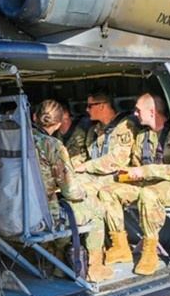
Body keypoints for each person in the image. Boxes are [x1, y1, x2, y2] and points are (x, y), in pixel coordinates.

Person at [32, 99, 113, 283]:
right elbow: (70, 190)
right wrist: (85, 193)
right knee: (97, 209)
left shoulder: (21, 141)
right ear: (60, 122)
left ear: (34, 117)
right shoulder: (54, 145)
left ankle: (60, 261)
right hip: (46, 215)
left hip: (20, 211)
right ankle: (95, 268)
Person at [98, 93, 170, 275]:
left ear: (152, 112)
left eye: (138, 110)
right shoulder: (143, 136)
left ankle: (150, 252)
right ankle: (120, 245)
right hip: (145, 184)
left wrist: (146, 171)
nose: (135, 113)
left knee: (148, 194)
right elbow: (136, 165)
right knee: (108, 192)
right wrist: (127, 174)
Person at [72, 90, 139, 266]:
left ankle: (108, 246)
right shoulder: (96, 130)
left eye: (90, 105)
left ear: (102, 105)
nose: (87, 110)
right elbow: (87, 155)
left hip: (121, 177)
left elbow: (116, 160)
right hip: (99, 175)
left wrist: (86, 167)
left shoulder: (125, 126)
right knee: (72, 185)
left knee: (85, 190)